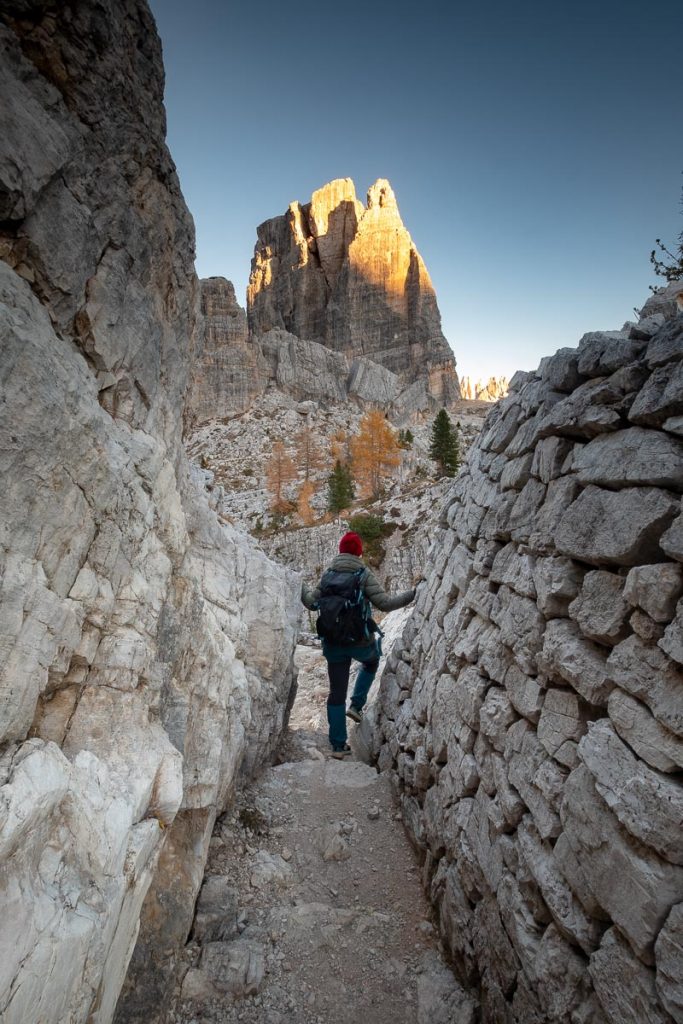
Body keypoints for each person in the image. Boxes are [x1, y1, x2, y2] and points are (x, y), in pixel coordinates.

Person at [301, 531, 417, 758]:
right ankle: (356, 704)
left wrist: (299, 585)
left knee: (336, 692)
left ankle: (337, 746)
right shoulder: (363, 575)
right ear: (358, 552)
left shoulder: (328, 576)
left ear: (340, 550)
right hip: (359, 641)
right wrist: (412, 594)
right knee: (372, 662)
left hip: (333, 643)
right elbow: (384, 604)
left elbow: (311, 603)